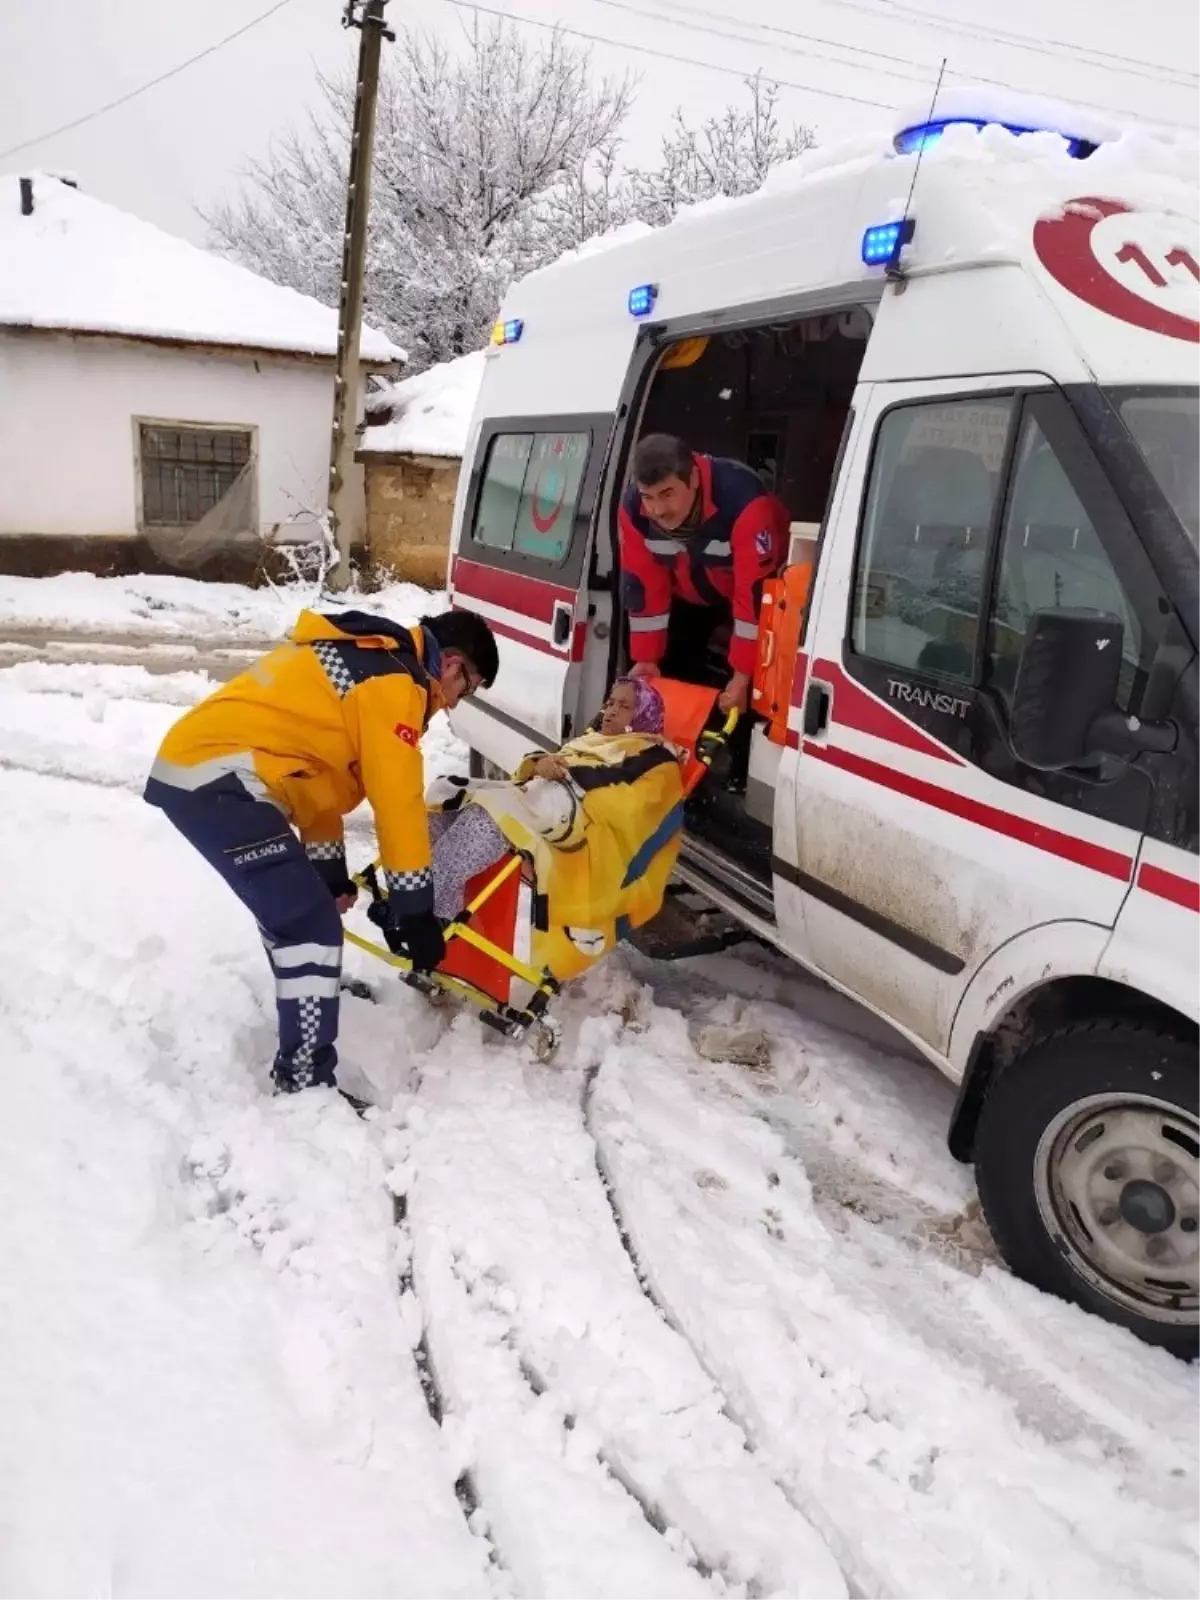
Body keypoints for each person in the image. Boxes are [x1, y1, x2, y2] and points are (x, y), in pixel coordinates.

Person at [144, 606, 499, 1096]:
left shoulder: (368, 658)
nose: (459, 702)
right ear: (454, 666)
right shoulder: (392, 680)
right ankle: (305, 1078)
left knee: (298, 910)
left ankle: (312, 993)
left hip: (206, 771)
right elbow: (397, 801)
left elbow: (319, 776)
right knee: (307, 924)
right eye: (470, 688)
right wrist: (416, 910)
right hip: (220, 781)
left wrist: (329, 873)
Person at [428, 676, 670, 925]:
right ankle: (433, 891)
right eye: (610, 703)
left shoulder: (654, 759)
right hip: (537, 800)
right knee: (445, 792)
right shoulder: (595, 739)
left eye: (624, 706)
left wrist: (569, 774)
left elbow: (628, 806)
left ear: (643, 715)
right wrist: (540, 763)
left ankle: (437, 914)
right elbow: (558, 759)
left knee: (485, 815)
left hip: (574, 828)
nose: (610, 711)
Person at [618, 433, 791, 715]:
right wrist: (647, 657)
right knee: (673, 674)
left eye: (667, 493)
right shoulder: (634, 510)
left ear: (694, 479)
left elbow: (755, 598)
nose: (657, 510)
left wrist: (743, 674)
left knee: (741, 694)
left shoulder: (742, 501)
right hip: (691, 598)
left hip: (751, 604)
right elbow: (644, 588)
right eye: (648, 497)